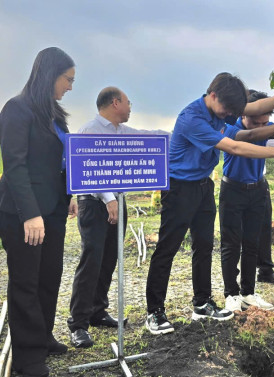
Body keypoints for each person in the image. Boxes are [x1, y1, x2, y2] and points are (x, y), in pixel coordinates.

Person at [145, 72, 274, 335]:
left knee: (204, 245)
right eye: (227, 109)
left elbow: (256, 107)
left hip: (203, 185)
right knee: (167, 248)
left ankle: (202, 303)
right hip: (179, 187)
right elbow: (235, 148)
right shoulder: (192, 119)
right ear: (213, 95)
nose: (229, 115)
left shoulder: (220, 109)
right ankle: (154, 312)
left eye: (233, 110)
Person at [68, 87, 170, 348]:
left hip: (117, 203)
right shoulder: (89, 130)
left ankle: (97, 311)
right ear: (115, 103)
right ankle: (78, 324)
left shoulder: (123, 132)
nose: (131, 106)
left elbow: (149, 137)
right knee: (91, 260)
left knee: (109, 259)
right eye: (128, 102)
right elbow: (87, 167)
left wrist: (178, 133)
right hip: (94, 204)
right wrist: (108, 198)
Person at [0, 47, 77, 377]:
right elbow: (15, 165)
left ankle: (42, 336)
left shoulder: (55, 114)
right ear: (51, 75)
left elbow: (60, 161)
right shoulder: (17, 109)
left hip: (55, 209)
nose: (71, 87)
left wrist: (70, 194)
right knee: (26, 282)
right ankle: (27, 358)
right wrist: (29, 214)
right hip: (24, 213)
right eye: (68, 79)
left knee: (50, 276)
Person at [220, 91, 274, 312]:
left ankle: (248, 293)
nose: (262, 125)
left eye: (266, 121)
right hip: (233, 190)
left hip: (257, 191)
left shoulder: (266, 125)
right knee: (231, 244)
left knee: (252, 244)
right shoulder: (230, 129)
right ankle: (231, 294)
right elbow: (255, 136)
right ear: (244, 114)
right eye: (257, 121)